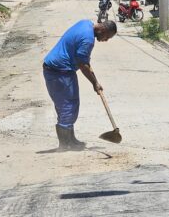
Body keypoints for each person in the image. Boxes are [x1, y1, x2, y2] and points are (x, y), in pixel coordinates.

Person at [43, 20, 118, 150]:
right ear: (102, 31)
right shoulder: (88, 40)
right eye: (107, 37)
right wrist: (94, 83)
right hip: (59, 73)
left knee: (71, 104)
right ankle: (65, 144)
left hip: (61, 70)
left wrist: (94, 77)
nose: (106, 40)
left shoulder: (86, 23)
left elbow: (84, 60)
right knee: (67, 106)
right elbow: (82, 65)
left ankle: (70, 139)